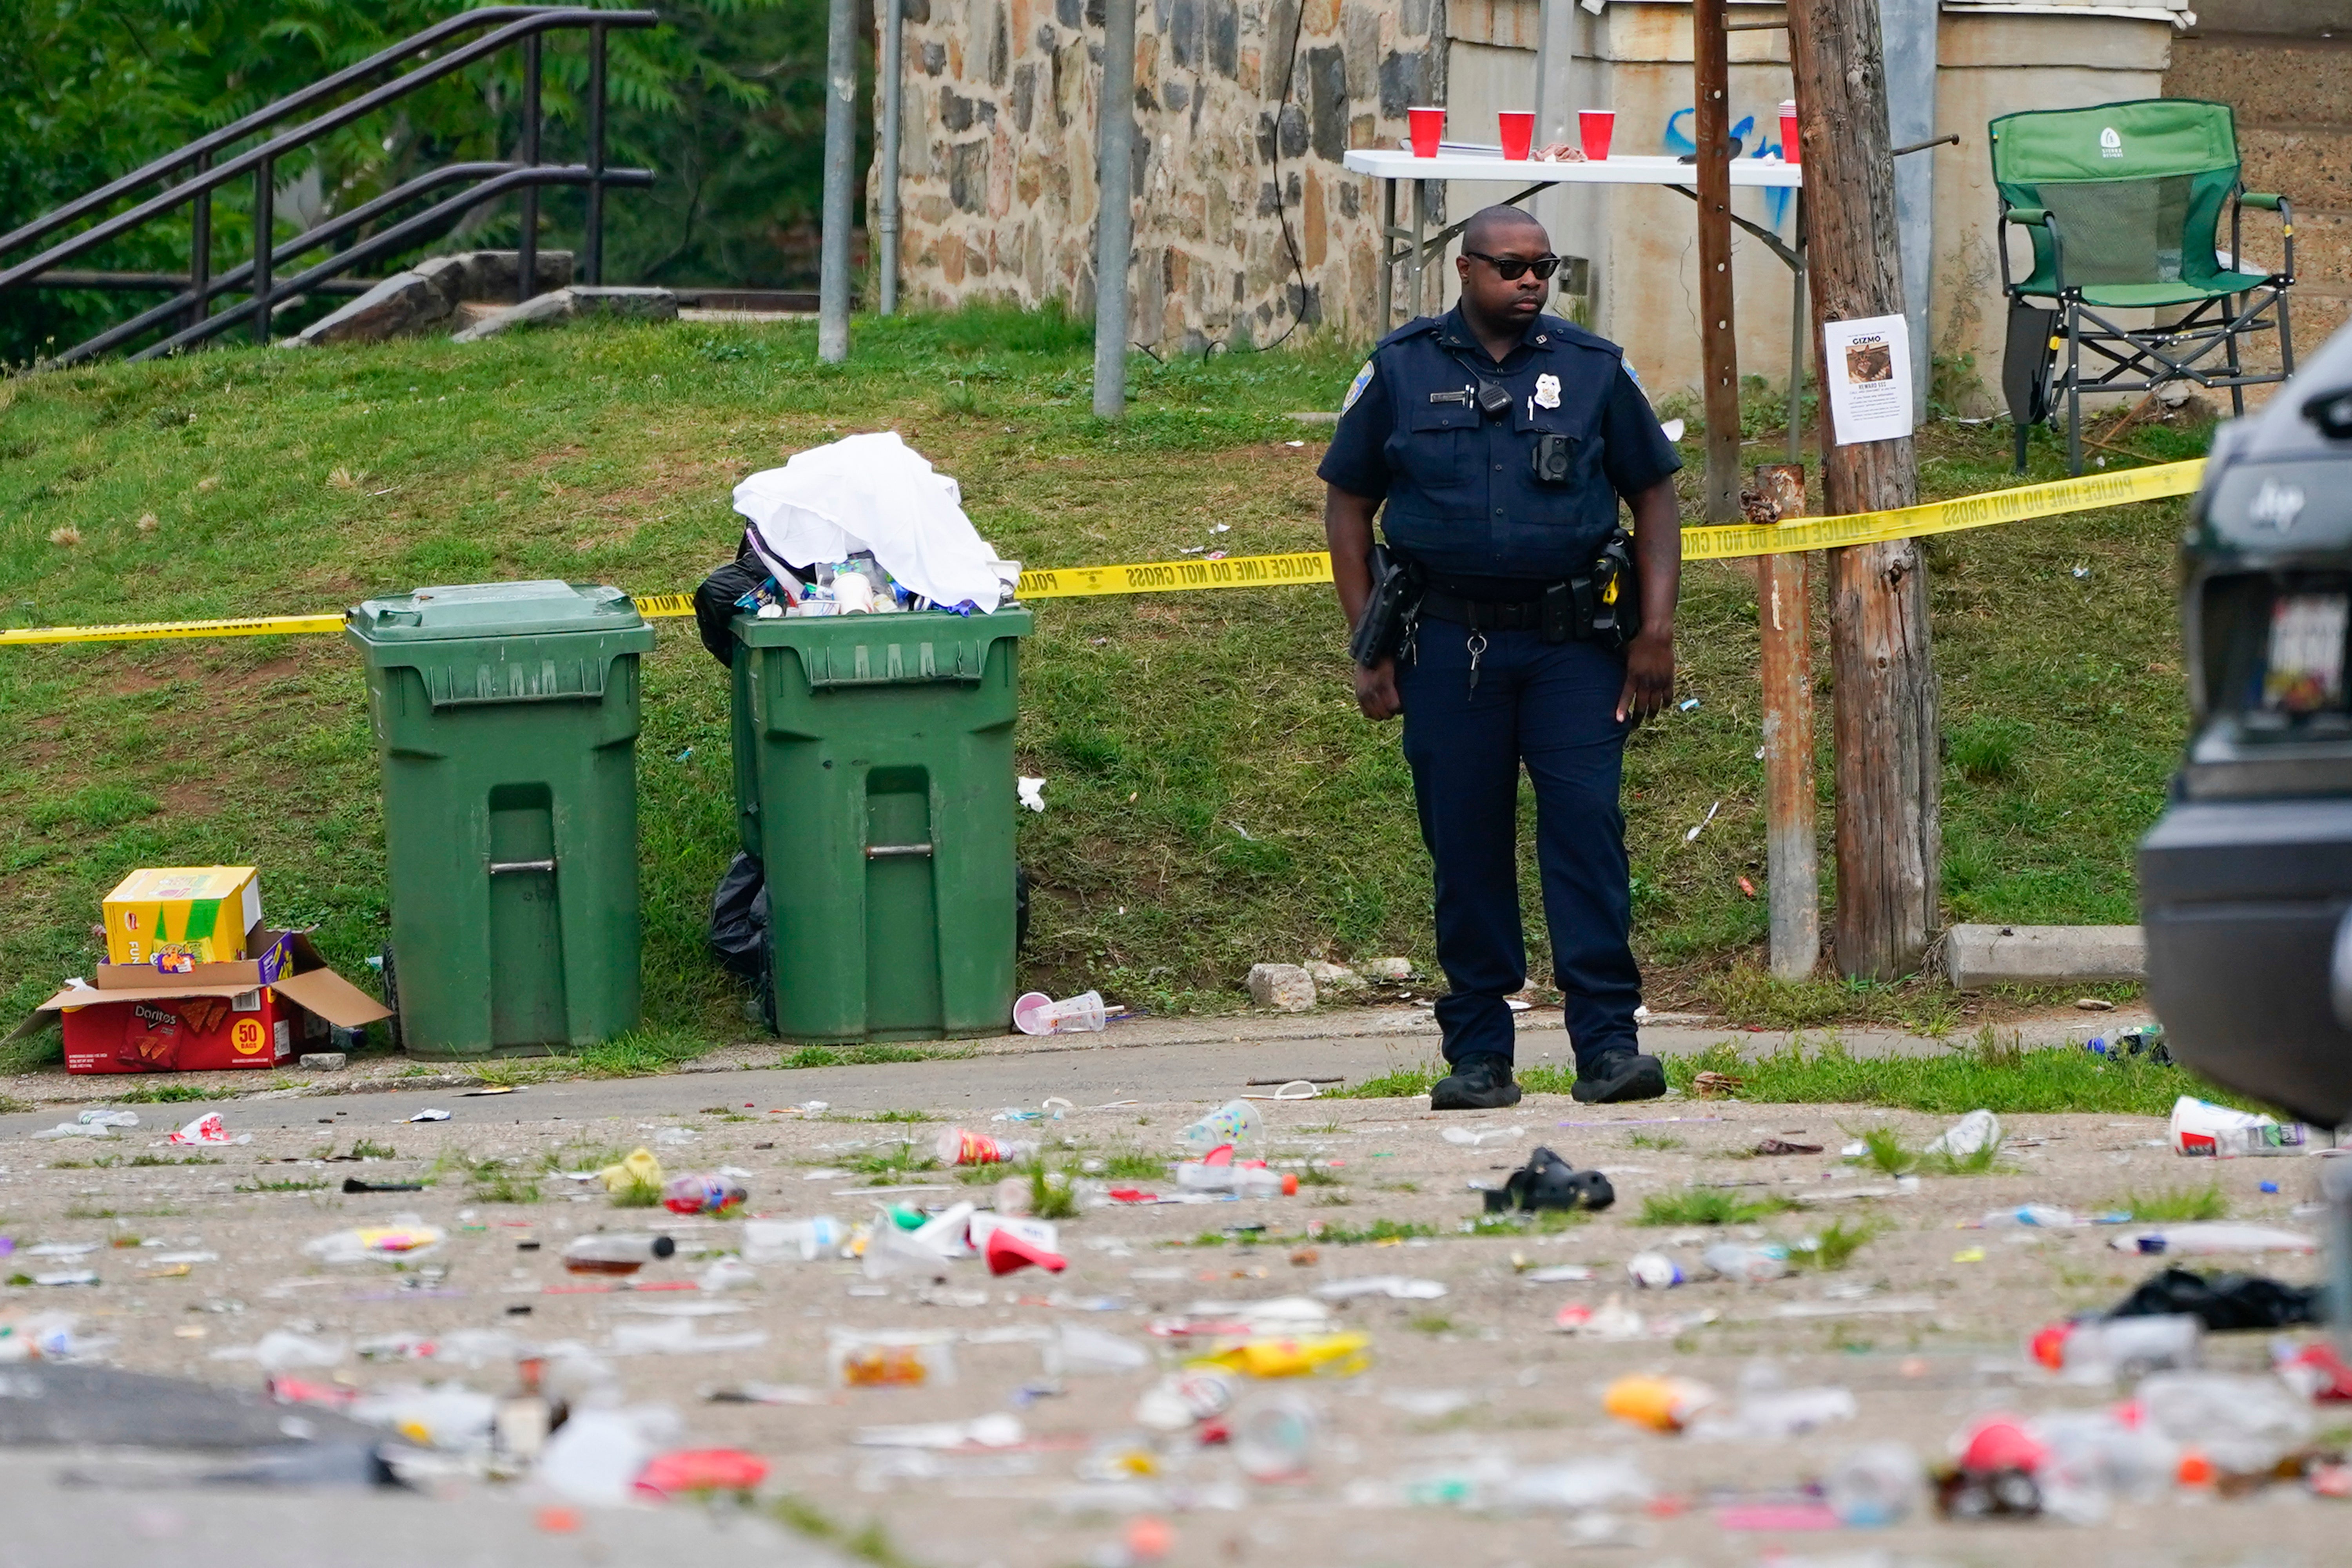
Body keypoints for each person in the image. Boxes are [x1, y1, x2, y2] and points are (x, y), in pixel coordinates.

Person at [1318, 205, 1683, 1111]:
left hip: (1574, 649)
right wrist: (1369, 642)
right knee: (1467, 849)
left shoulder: (1591, 369)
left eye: (1544, 268)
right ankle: (1479, 1055)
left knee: (1587, 835)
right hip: (1449, 647)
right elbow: (1348, 507)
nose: (1530, 282)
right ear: (1465, 271)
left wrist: (1656, 634)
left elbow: (1656, 497)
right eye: (1511, 267)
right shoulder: (1401, 370)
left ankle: (1607, 1047)